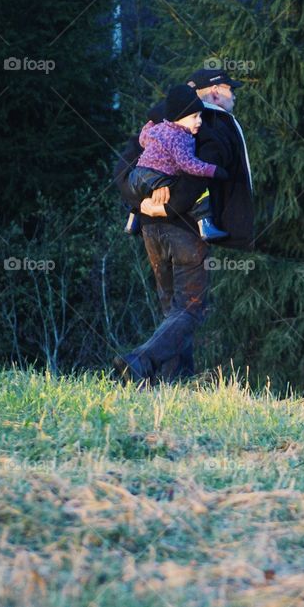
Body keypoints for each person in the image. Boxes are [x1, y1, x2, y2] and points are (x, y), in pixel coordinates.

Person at [113, 68, 255, 383]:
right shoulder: (215, 125)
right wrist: (167, 207)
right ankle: (139, 362)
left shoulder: (157, 122)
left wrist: (141, 204)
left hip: (150, 228)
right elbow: (195, 179)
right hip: (186, 229)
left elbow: (123, 169)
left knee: (173, 311)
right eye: (231, 90)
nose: (234, 96)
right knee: (191, 308)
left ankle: (174, 381)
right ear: (215, 92)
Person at [125, 84, 230, 242]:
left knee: (139, 192)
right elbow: (187, 164)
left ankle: (132, 221)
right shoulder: (180, 137)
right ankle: (206, 226)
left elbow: (143, 139)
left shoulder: (158, 129)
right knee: (200, 193)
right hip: (157, 176)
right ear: (178, 117)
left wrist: (149, 124)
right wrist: (212, 170)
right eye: (194, 117)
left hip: (136, 176)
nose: (199, 121)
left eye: (200, 116)